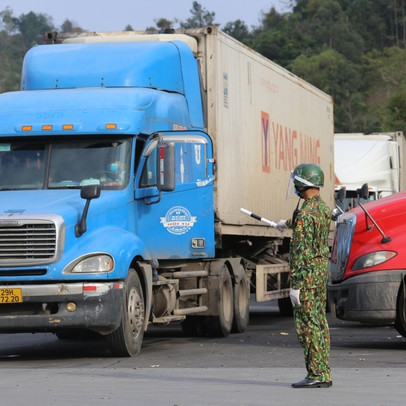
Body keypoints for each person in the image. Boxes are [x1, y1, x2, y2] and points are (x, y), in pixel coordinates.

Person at [277, 163, 332, 389]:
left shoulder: (305, 215)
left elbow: (299, 253)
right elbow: (309, 224)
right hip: (319, 275)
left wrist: (295, 286)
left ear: (303, 184)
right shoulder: (322, 209)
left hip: (306, 278)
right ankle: (324, 372)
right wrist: (286, 223)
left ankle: (316, 374)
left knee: (307, 327)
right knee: (319, 323)